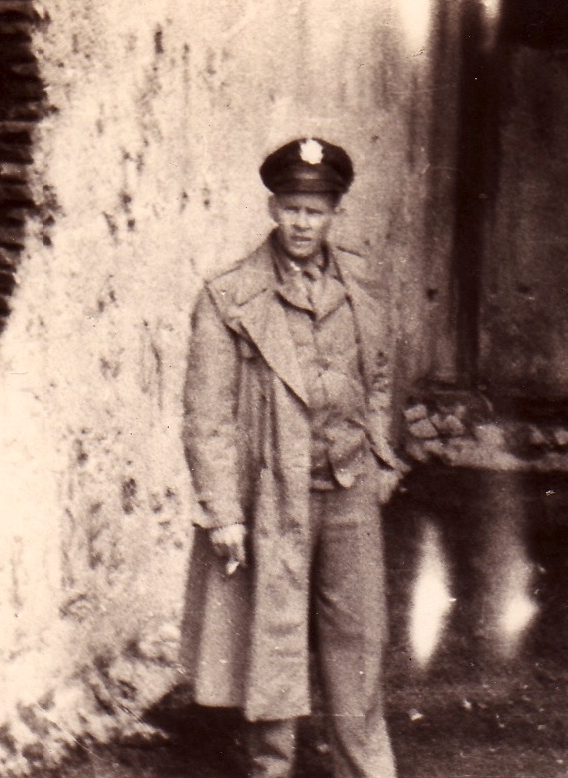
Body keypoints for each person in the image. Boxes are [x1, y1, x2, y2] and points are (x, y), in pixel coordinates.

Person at [180, 137, 404, 778]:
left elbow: (379, 371)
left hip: (349, 487)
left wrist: (380, 454)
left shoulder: (361, 284)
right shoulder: (229, 296)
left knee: (359, 638)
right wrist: (225, 512)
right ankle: (271, 768)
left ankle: (366, 769)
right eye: (291, 209)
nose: (302, 224)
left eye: (316, 211)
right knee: (273, 638)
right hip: (275, 491)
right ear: (273, 209)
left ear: (335, 213)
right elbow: (207, 416)